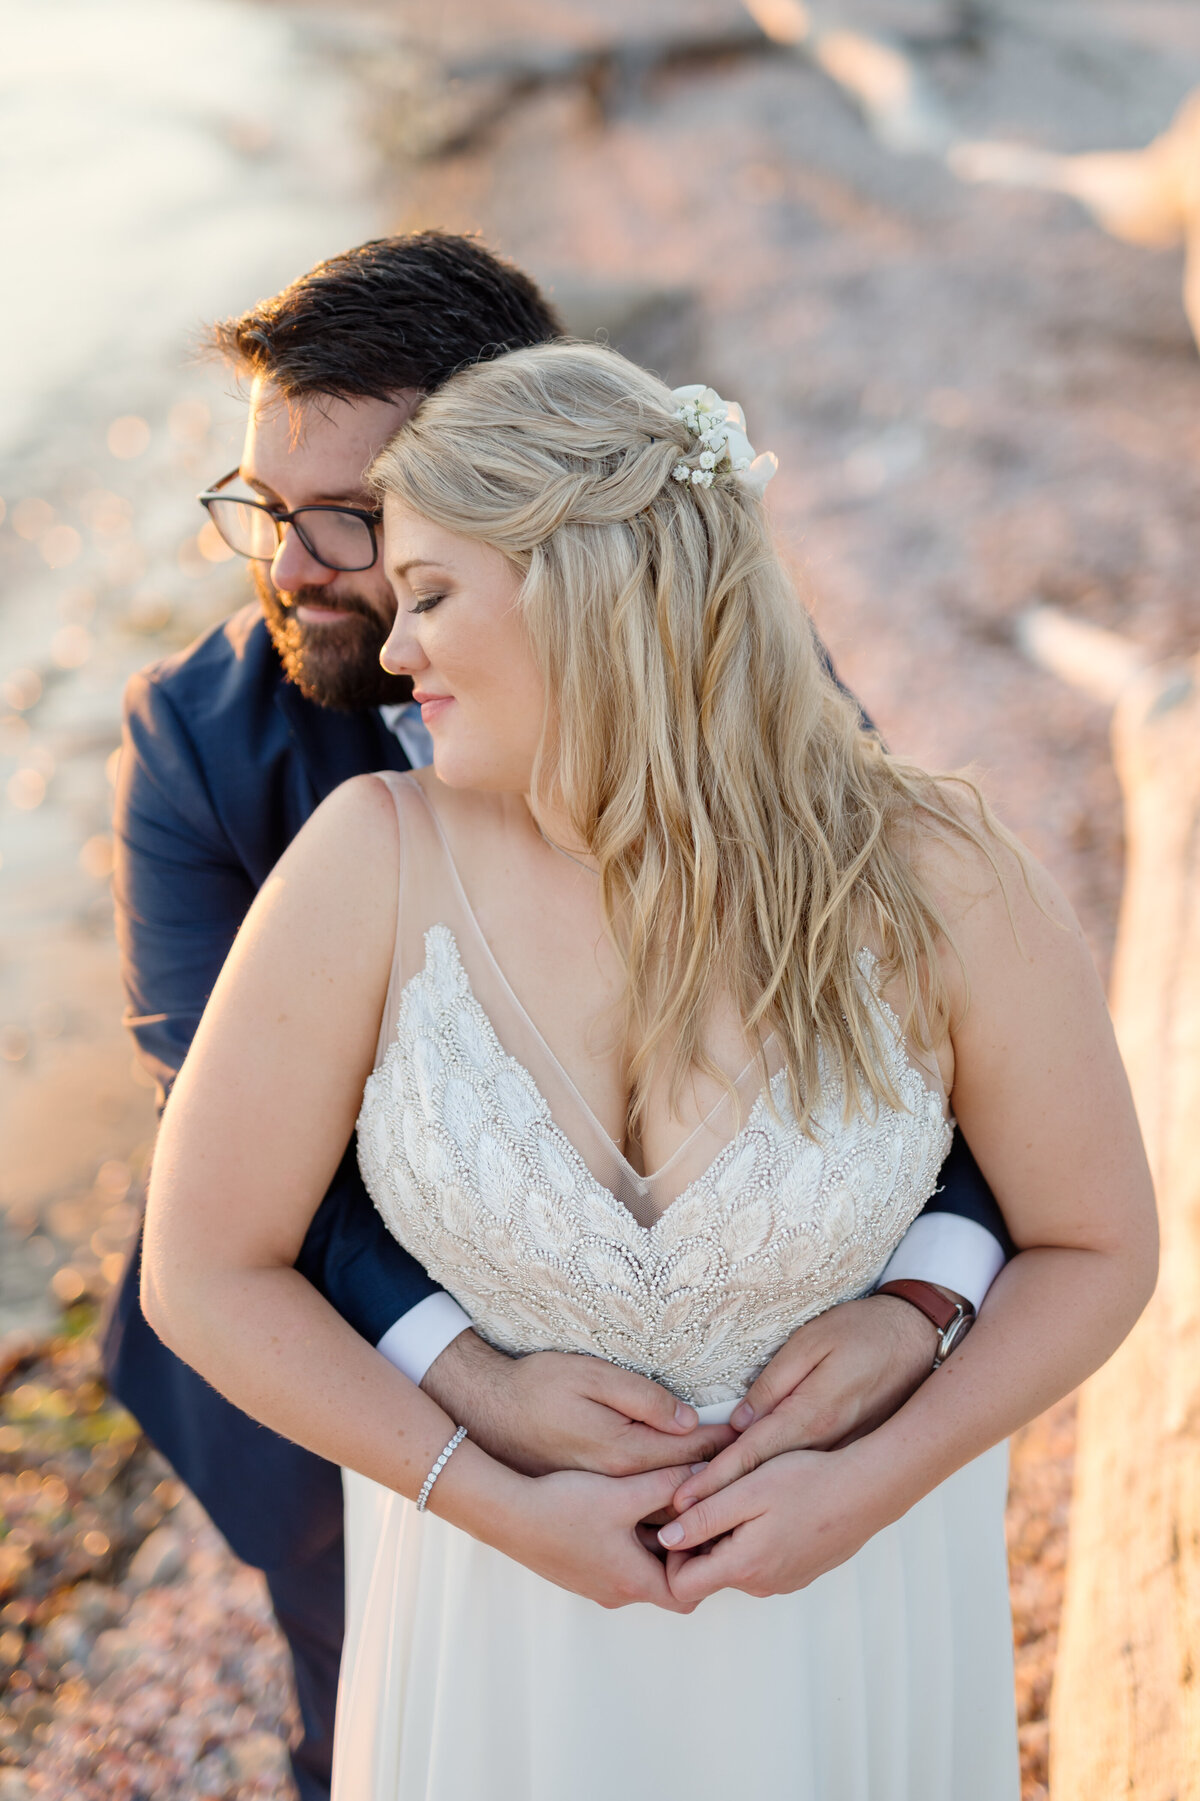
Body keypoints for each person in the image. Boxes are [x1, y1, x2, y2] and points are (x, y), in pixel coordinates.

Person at [139, 341, 1155, 1799]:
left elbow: (1098, 1241)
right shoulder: (368, 860)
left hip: (849, 1613)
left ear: (581, 590)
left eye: (429, 595)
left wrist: (868, 1483)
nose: (399, 650)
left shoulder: (933, 866)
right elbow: (201, 1268)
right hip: (497, 1637)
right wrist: (491, 1500)